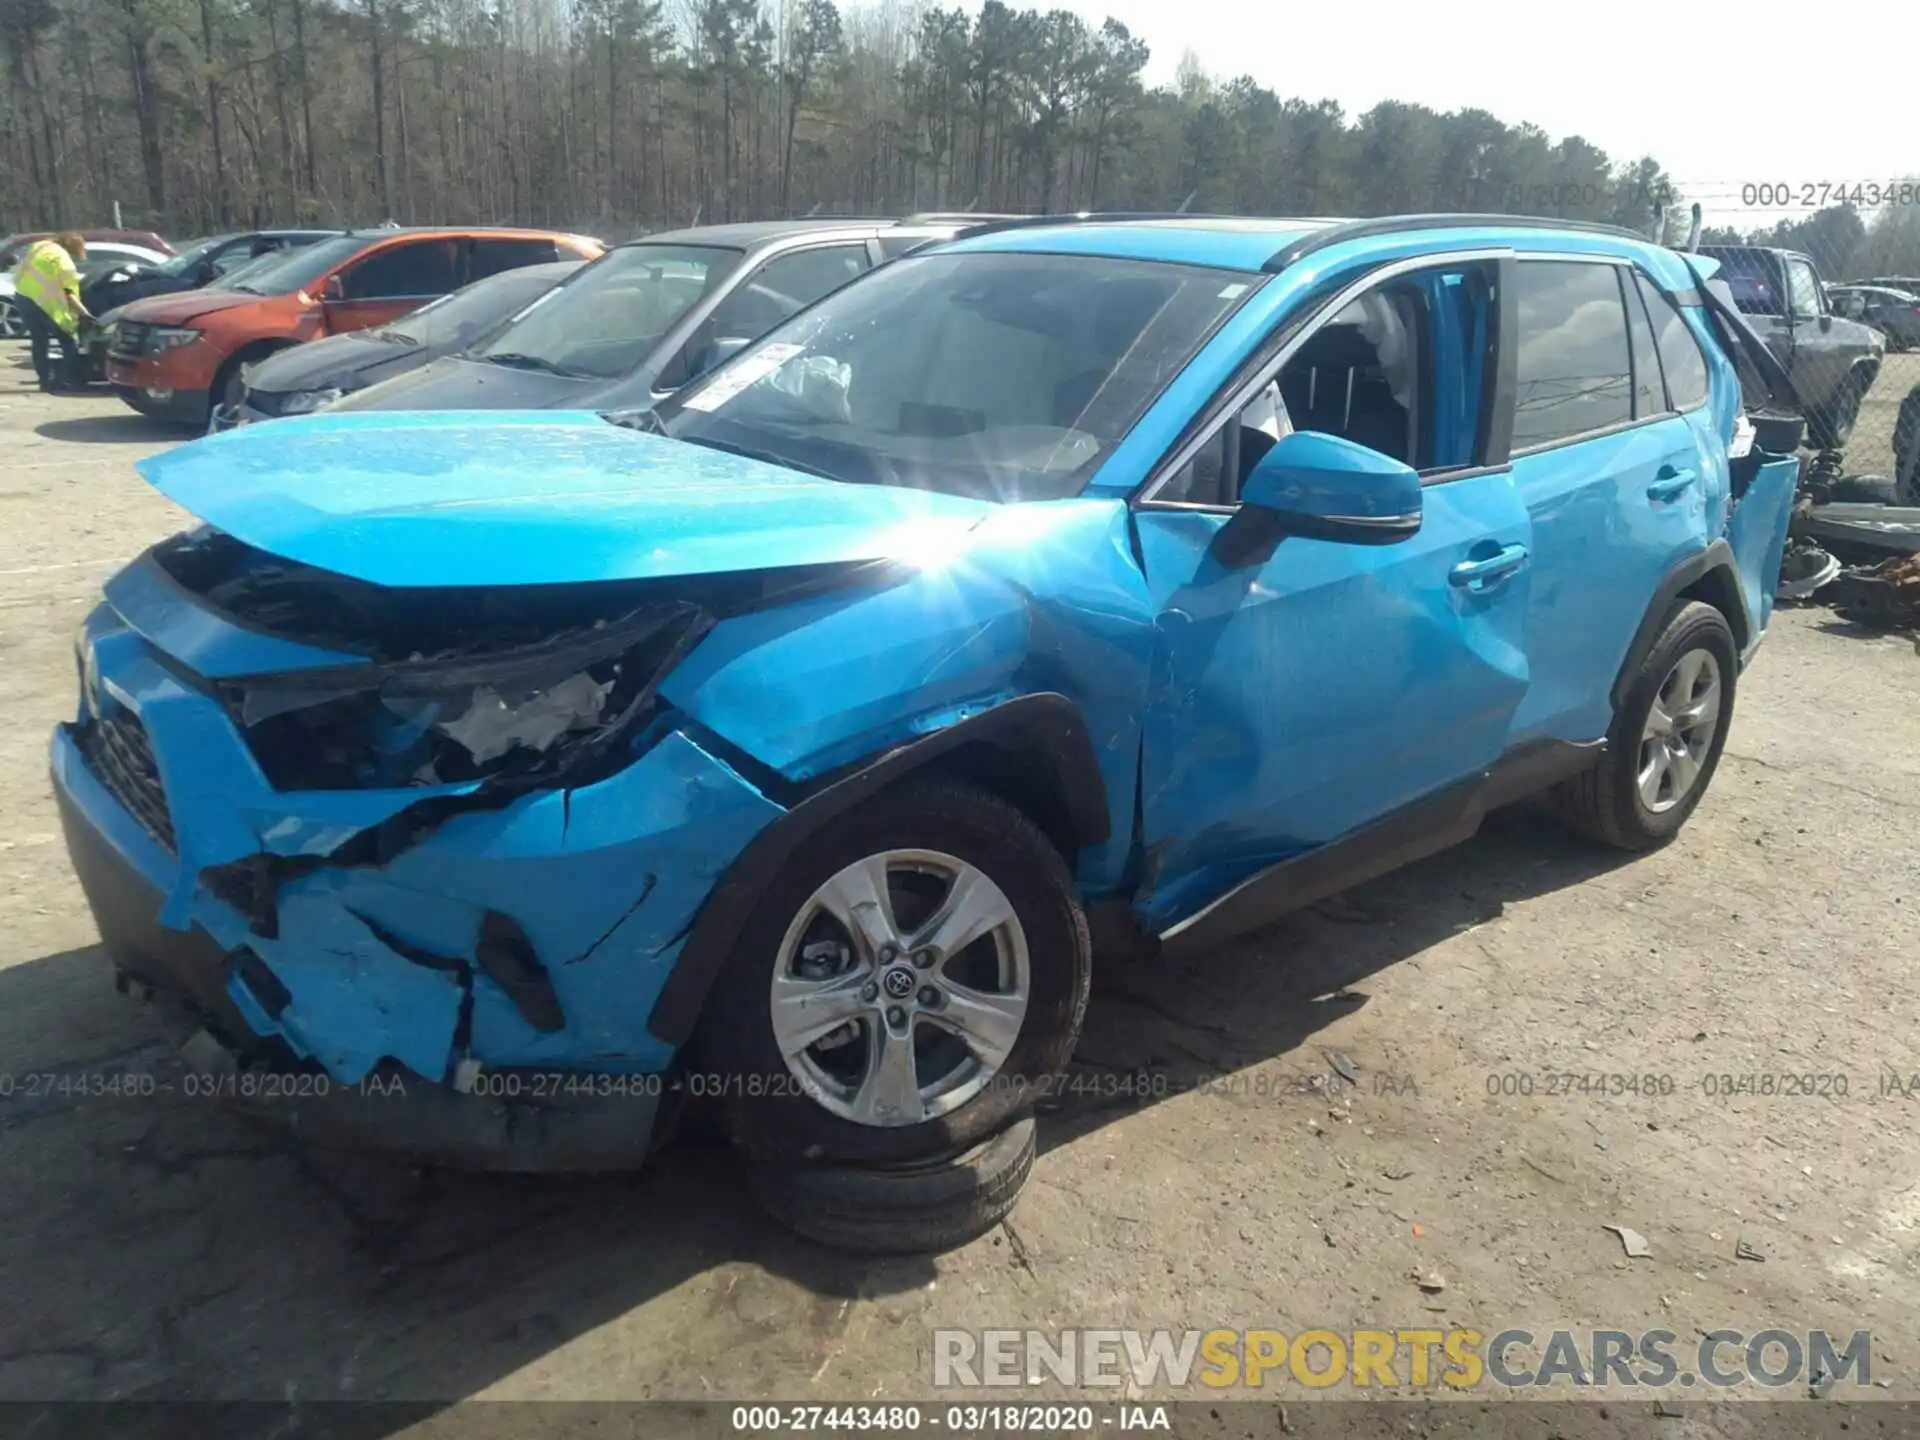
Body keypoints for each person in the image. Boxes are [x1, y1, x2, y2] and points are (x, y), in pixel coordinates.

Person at [12, 232, 92, 392]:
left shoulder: (39, 246)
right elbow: (70, 294)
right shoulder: (64, 261)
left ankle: (44, 380)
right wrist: (85, 314)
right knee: (69, 342)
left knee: (39, 342)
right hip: (44, 304)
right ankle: (65, 380)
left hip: (24, 297)